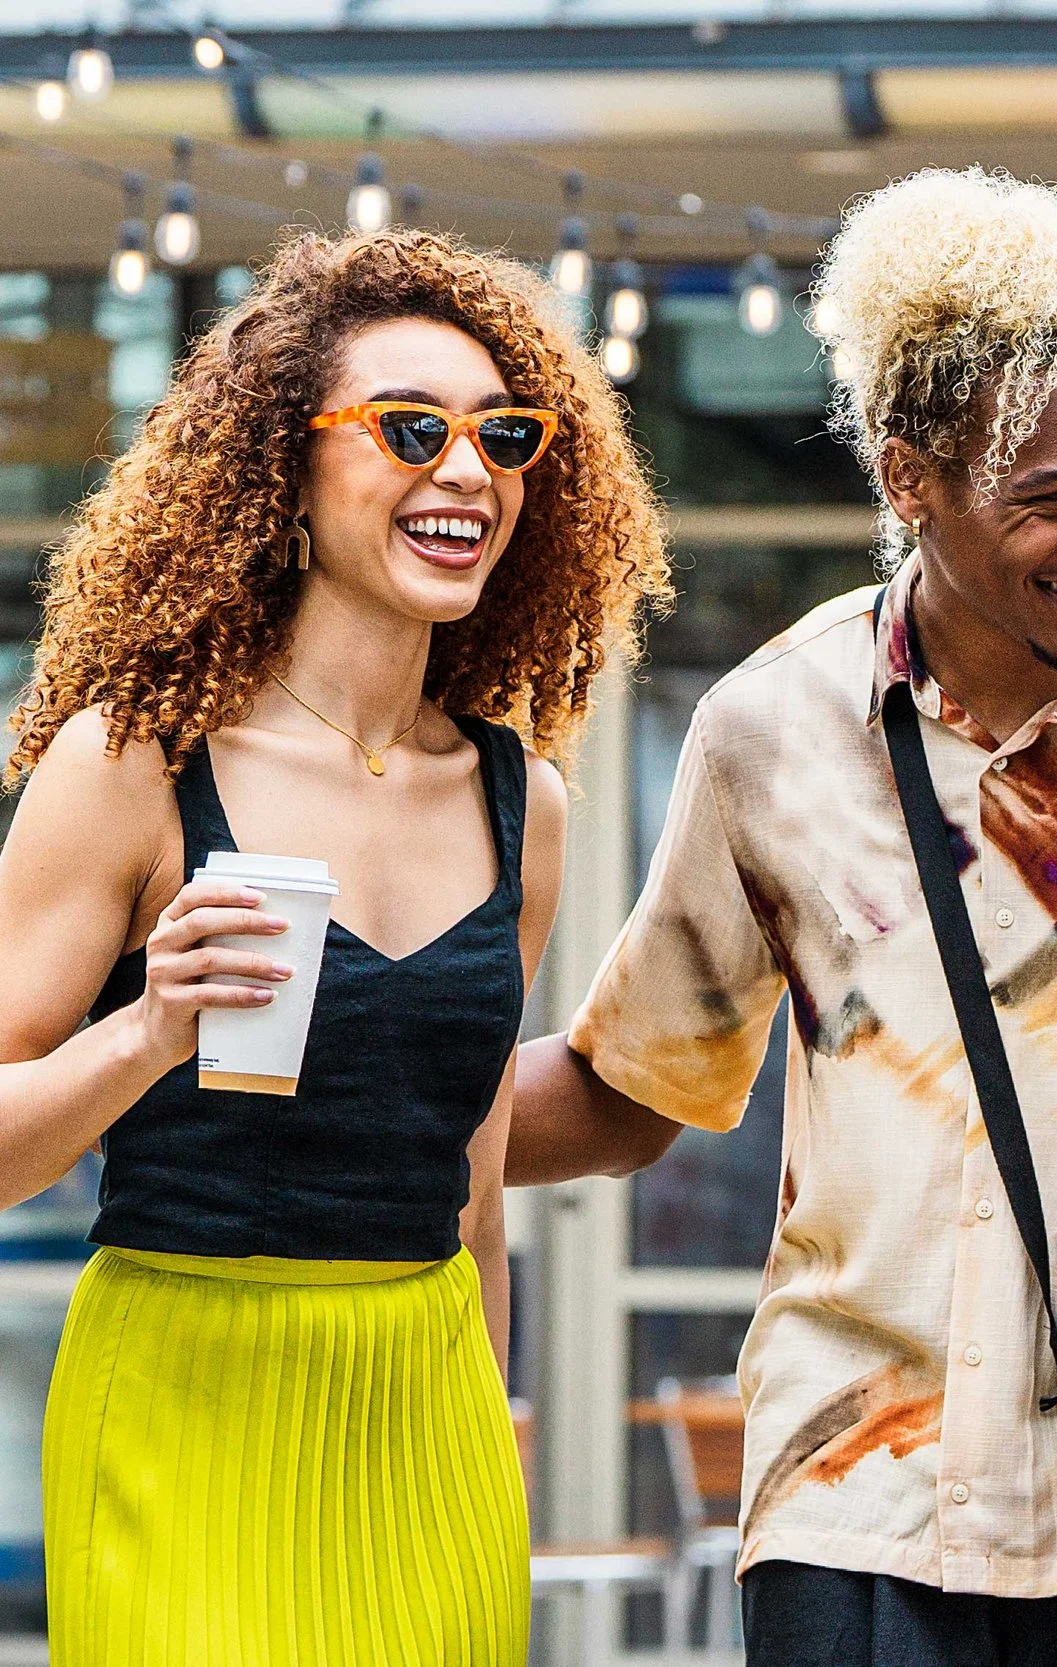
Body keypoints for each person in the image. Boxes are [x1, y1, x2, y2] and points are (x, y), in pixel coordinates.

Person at [505, 167, 1057, 1667]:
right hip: (853, 1499)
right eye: (1056, 499)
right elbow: (640, 1084)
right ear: (912, 479)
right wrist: (354, 1109)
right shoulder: (775, 731)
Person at [0, 226, 669, 1663]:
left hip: (427, 1420)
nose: (470, 470)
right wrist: (145, 1030)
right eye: (411, 428)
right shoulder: (130, 764)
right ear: (283, 472)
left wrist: (490, 1442)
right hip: (184, 1395)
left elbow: (475, 1185)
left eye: (507, 434)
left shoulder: (523, 804)